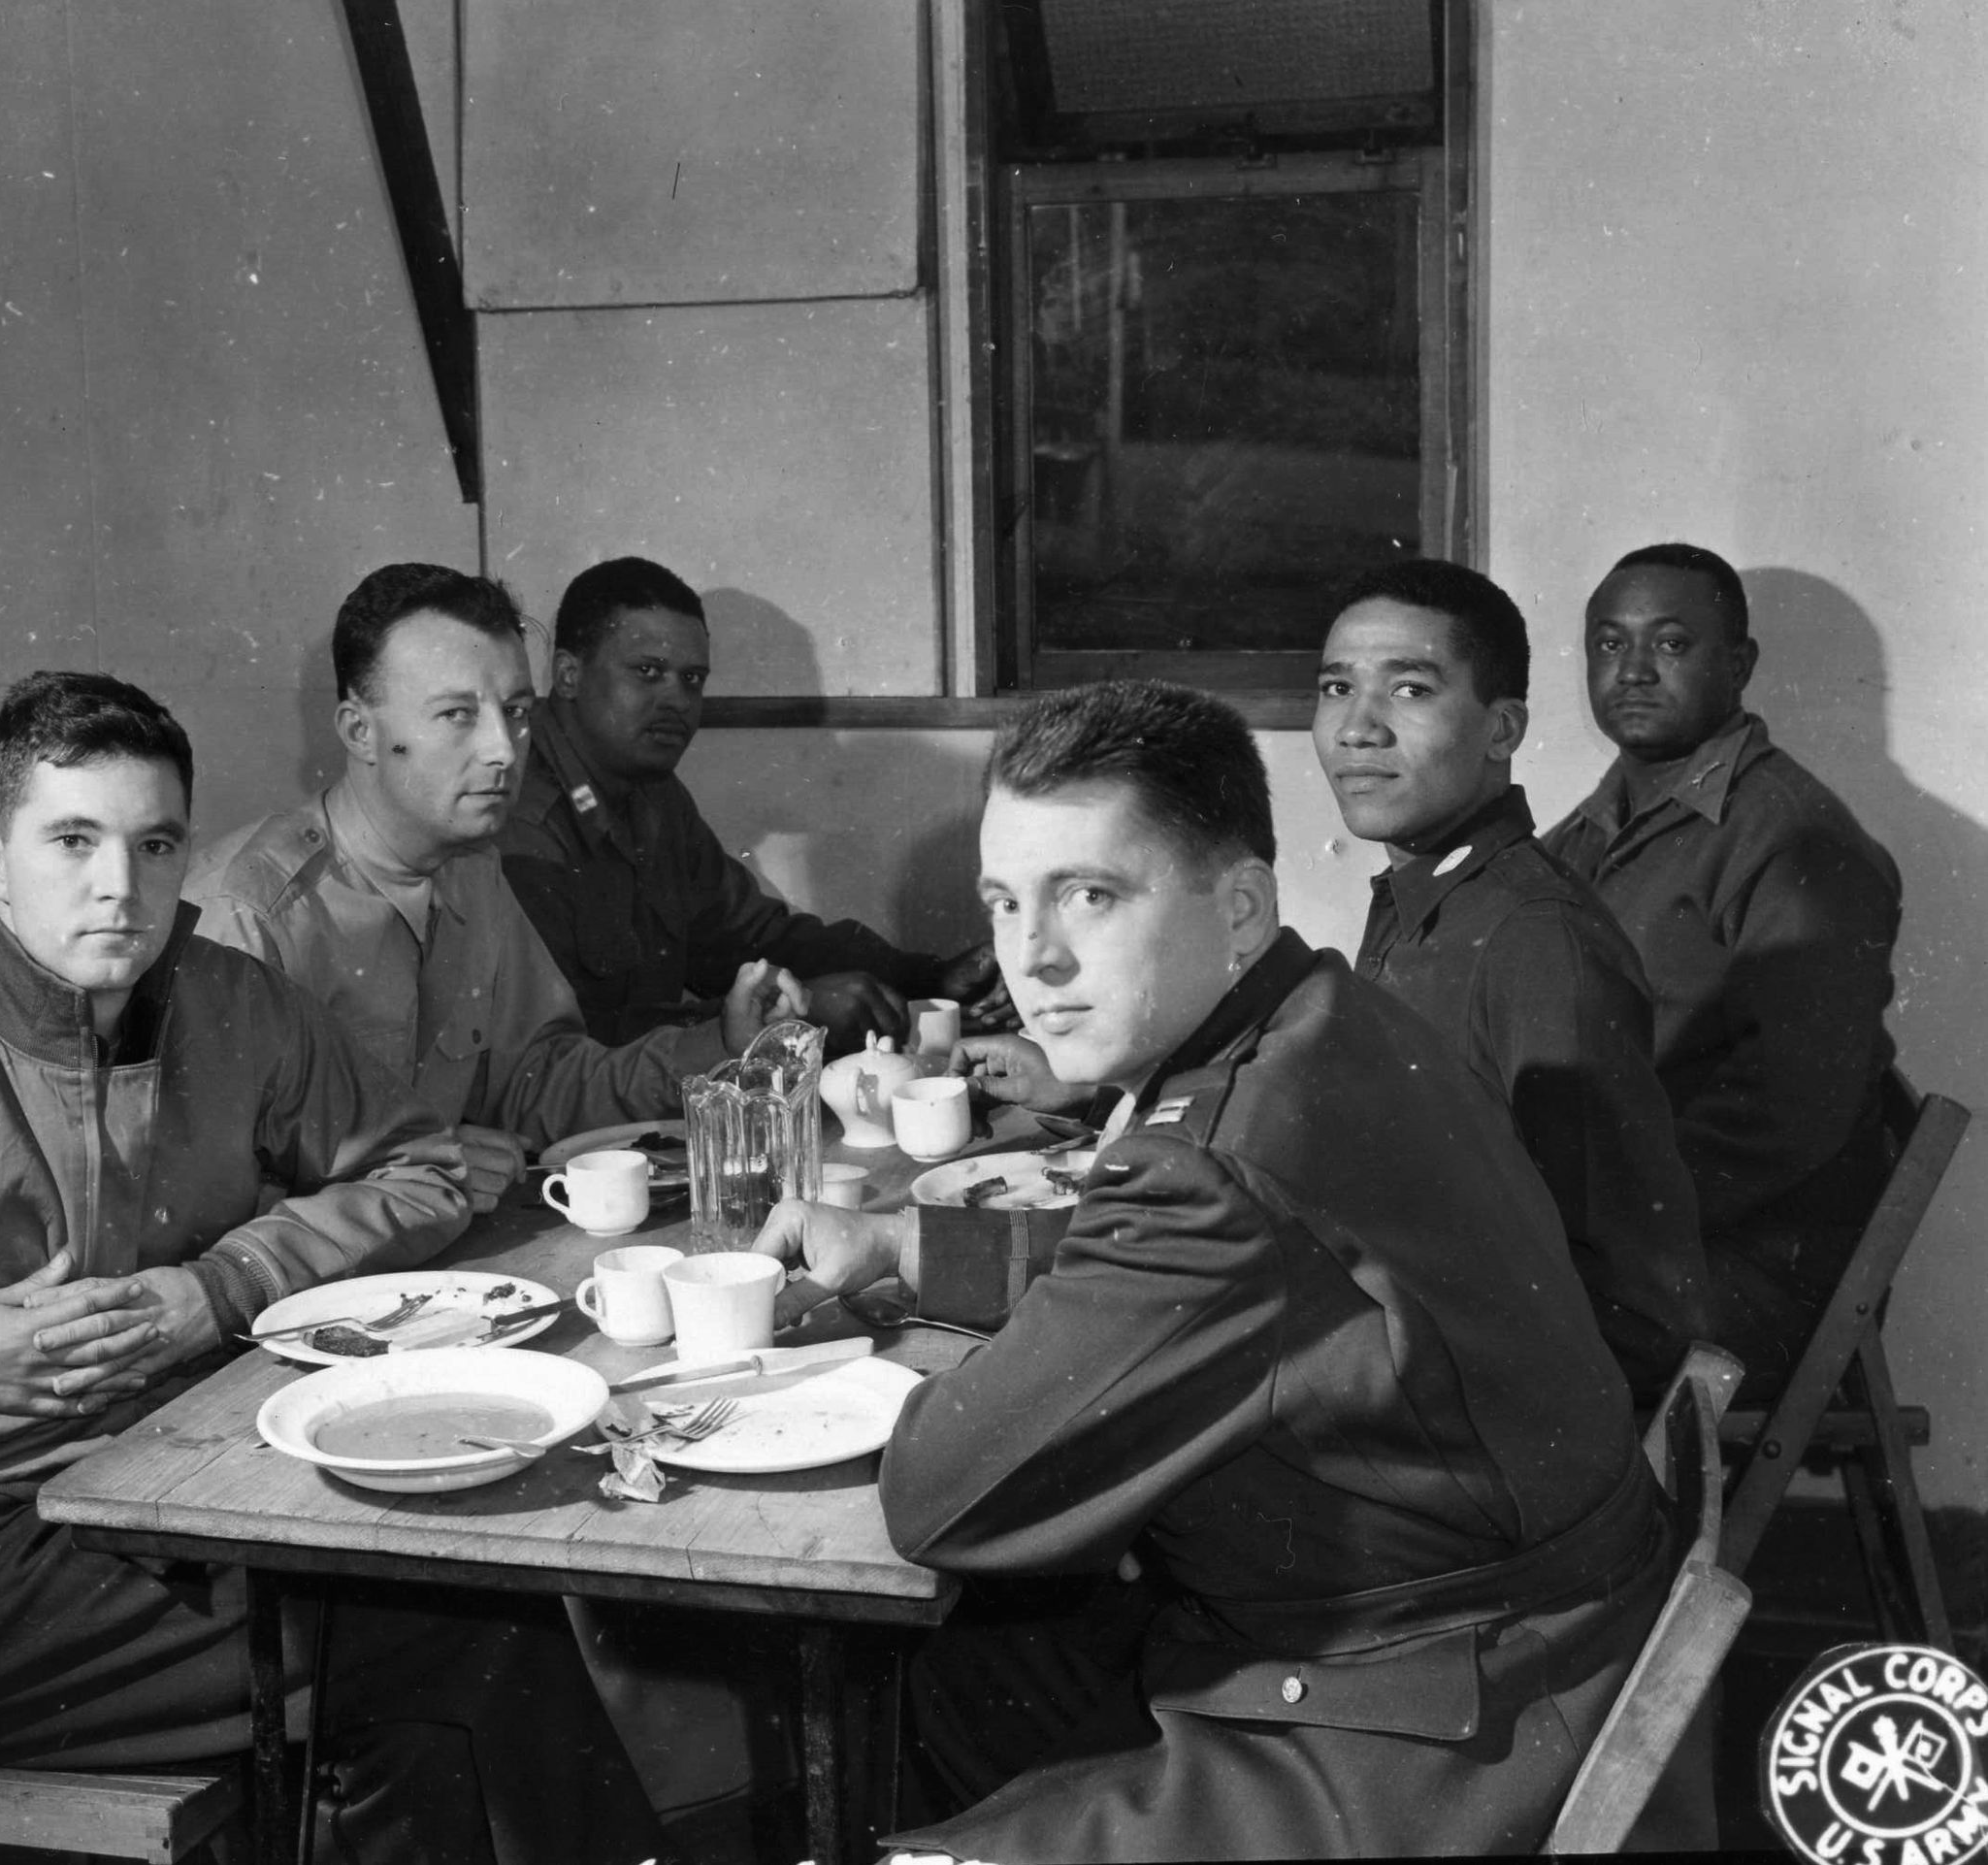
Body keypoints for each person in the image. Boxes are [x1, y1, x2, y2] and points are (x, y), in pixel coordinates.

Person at [0, 672, 662, 1865]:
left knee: (452, 1617)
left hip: (157, 1498)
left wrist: (223, 1284)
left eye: (154, 843)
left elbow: (424, 1168)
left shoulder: (229, 1002)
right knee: (462, 1629)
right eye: (71, 840)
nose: (118, 885)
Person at [750, 680, 1696, 1860]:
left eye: (1089, 895)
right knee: (958, 1673)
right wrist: (908, 1247)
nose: (1031, 956)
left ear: (1240, 904)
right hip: (1524, 1630)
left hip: (1420, 1742)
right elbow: (1249, 1283)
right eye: (1003, 902)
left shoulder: (1205, 1161)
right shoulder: (1327, 1010)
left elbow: (940, 1495)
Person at [185, 562, 804, 1214]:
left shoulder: (472, 874)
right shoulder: (248, 917)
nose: (505, 751)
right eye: (457, 714)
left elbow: (540, 1082)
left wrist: (721, 1045)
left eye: (515, 712)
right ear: (359, 731)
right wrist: (408, 1181)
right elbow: (201, 1212)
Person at [1312, 558, 1707, 1400]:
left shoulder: (1535, 939)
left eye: (1410, 691)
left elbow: (1619, 1292)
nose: (1357, 729)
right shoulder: (1424, 895)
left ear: (1502, 730)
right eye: (1337, 688)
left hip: (1510, 1411)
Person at [1545, 543, 1903, 1401]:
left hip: (1751, 1267)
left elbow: (1789, 1108)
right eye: (1608, 644)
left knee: (1466, 1322)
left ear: (1739, 665)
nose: (1632, 670)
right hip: (1625, 1246)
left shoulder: (1795, 841)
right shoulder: (1577, 840)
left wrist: (1591, 1223)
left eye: (1670, 644)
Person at [498, 556, 1004, 1047]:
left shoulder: (651, 794)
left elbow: (751, 936)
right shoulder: (519, 817)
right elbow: (572, 1048)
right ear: (567, 674)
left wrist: (928, 976)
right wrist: (795, 1010)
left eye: (692, 679)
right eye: (648, 671)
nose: (677, 699)